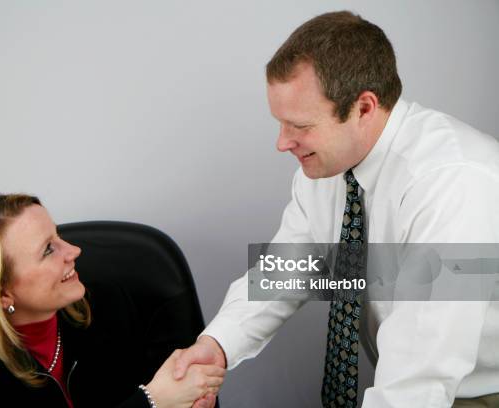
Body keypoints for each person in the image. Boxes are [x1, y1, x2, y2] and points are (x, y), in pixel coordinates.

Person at [173, 11, 499, 408]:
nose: (282, 143)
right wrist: (218, 345)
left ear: (364, 107)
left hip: (473, 391)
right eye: (280, 123)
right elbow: (286, 272)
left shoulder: (453, 181)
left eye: (300, 125)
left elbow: (422, 370)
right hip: (406, 383)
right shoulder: (327, 170)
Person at [0, 194, 225, 407]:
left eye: (58, 236)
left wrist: (191, 394)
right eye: (48, 249)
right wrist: (152, 401)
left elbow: (266, 285)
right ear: (2, 292)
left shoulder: (108, 303)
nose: (74, 251)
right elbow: (156, 396)